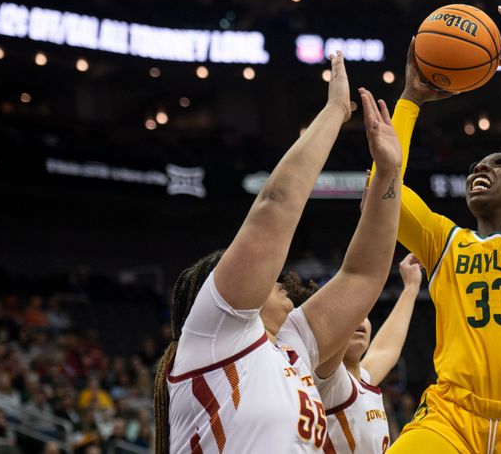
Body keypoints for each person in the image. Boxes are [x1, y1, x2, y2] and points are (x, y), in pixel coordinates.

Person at [153, 52, 403, 453]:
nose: (281, 279)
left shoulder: (291, 346)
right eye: (270, 278)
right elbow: (275, 205)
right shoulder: (218, 332)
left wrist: (390, 173)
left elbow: (362, 277)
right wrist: (335, 113)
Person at [378, 6, 501, 453]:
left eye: (498, 163)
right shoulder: (444, 242)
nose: (480, 168)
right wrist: (410, 99)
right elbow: (382, 191)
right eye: (476, 165)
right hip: (451, 417)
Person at [311, 253, 423, 453]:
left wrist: (411, 287)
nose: (360, 319)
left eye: (365, 315)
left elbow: (386, 350)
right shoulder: (328, 379)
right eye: (352, 314)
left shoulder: (362, 378)